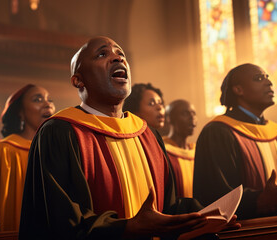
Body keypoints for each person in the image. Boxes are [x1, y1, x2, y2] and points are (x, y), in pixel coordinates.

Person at [19, 36, 239, 239]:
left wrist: (200, 219)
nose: (117, 57)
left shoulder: (148, 134)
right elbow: (59, 221)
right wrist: (127, 228)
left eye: (120, 54)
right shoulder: (59, 132)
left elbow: (168, 207)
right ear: (78, 80)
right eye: (102, 54)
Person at [193, 63, 277, 219]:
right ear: (238, 90)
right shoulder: (218, 132)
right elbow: (215, 194)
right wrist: (260, 200)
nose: (269, 83)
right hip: (247, 230)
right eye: (258, 78)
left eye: (267, 78)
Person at [0, 84, 55, 231]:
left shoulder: (57, 149)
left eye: (49, 100)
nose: (47, 104)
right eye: (37, 99)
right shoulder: (5, 150)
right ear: (20, 112)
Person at [163, 99, 197, 198]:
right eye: (185, 113)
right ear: (169, 118)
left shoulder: (196, 151)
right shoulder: (163, 150)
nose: (192, 117)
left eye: (194, 113)